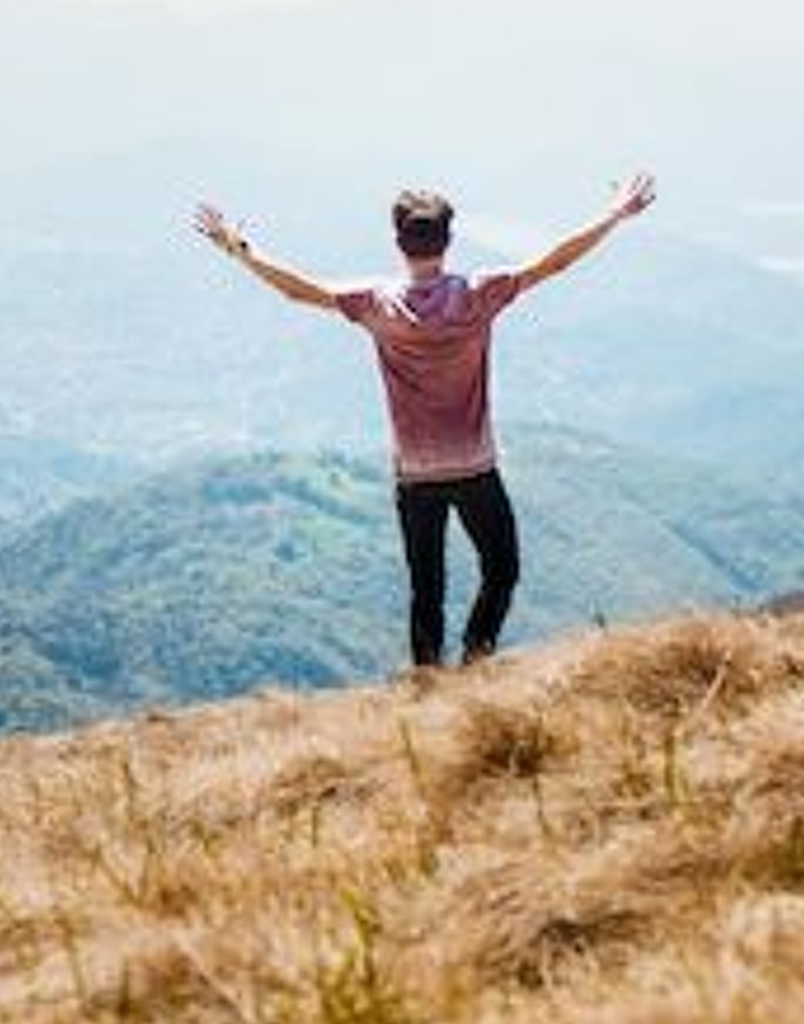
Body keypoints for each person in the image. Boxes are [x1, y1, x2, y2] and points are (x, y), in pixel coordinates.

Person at [193, 174, 657, 673]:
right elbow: (556, 261)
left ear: (398, 243)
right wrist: (613, 214)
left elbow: (298, 291)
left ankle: (428, 685)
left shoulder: (378, 304)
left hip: (415, 475)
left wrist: (237, 248)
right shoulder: (479, 295)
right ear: (448, 240)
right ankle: (477, 659)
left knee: (425, 588)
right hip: (475, 468)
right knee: (502, 570)